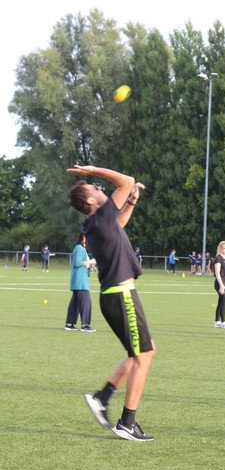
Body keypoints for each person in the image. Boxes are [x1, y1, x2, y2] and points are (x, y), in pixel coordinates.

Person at [67, 164, 156, 442]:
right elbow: (127, 180)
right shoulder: (98, 217)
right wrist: (92, 170)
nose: (100, 188)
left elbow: (120, 224)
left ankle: (102, 397)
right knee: (143, 356)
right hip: (121, 294)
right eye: (95, 187)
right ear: (91, 201)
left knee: (141, 353)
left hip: (116, 294)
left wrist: (130, 200)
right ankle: (127, 422)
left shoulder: (99, 222)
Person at [65, 233, 97, 332]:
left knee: (75, 303)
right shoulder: (79, 248)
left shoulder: (82, 249)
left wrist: (91, 266)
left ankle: (69, 324)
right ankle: (85, 325)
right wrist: (91, 262)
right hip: (80, 281)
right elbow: (77, 262)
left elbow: (85, 263)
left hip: (79, 280)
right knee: (86, 301)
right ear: (82, 238)